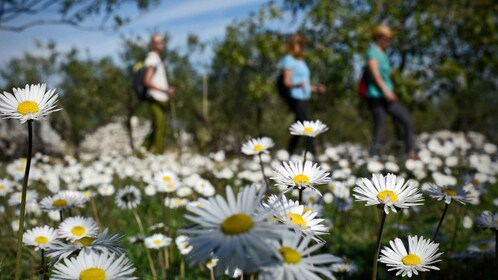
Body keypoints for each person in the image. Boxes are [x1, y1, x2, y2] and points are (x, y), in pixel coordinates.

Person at [365, 24, 418, 159]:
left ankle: (410, 152)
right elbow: (375, 75)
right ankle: (374, 159)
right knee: (380, 127)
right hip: (376, 96)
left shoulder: (383, 54)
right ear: (379, 38)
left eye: (390, 39)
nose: (389, 42)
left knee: (407, 121)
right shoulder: (372, 53)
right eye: (387, 39)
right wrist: (386, 91)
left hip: (387, 95)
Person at [279, 34, 326, 157]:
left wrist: (315, 88)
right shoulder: (288, 60)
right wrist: (296, 84)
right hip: (295, 97)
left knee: (299, 126)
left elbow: (305, 84)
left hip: (305, 97)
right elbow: (286, 82)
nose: (303, 48)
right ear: (293, 45)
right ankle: (313, 155)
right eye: (300, 45)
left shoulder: (302, 61)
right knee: (307, 126)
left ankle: (289, 152)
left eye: (303, 45)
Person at [143, 34, 175, 154]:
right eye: (159, 42)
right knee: (160, 128)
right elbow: (147, 81)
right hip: (155, 98)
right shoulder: (152, 59)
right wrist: (165, 90)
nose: (162, 45)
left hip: (160, 97)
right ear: (153, 45)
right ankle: (157, 155)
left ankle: (141, 153)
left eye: (162, 42)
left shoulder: (157, 59)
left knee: (158, 127)